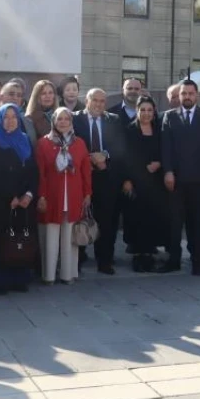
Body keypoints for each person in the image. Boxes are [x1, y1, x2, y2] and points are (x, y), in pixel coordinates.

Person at [160, 79, 200, 276]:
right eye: (183, 94)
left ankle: (198, 261)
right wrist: (167, 171)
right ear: (179, 96)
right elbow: (166, 148)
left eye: (190, 93)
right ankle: (173, 259)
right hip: (175, 180)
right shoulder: (169, 117)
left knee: (198, 223)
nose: (187, 97)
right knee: (174, 222)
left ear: (197, 95)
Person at [0, 103, 39, 294]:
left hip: (24, 203)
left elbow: (33, 171)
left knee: (20, 239)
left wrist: (29, 194)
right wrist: (9, 197)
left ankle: (19, 279)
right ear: (0, 119)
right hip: (0, 202)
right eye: (6, 117)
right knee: (0, 240)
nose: (10, 121)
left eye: (14, 117)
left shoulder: (24, 139)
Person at [36, 107, 91, 284]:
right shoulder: (44, 143)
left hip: (73, 196)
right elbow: (40, 173)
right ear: (53, 121)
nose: (63, 122)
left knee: (70, 238)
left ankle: (68, 274)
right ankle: (49, 275)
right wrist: (42, 195)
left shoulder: (79, 143)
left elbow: (85, 171)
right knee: (50, 238)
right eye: (60, 119)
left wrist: (87, 193)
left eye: (67, 119)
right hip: (52, 196)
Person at [75, 88, 126, 274]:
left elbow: (121, 146)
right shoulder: (74, 119)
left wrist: (105, 155)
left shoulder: (114, 120)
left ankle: (104, 260)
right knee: (79, 218)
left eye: (102, 101)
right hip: (82, 177)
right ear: (86, 100)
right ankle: (77, 260)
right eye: (94, 100)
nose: (98, 104)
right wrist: (88, 158)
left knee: (106, 221)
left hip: (106, 177)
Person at [121, 96, 168, 273]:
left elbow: (166, 151)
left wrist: (159, 163)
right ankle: (138, 256)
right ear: (137, 111)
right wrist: (127, 179)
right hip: (135, 182)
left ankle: (149, 254)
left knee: (153, 218)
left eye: (150, 110)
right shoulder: (129, 130)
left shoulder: (160, 129)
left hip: (156, 183)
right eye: (143, 110)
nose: (146, 114)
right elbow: (125, 157)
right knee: (136, 219)